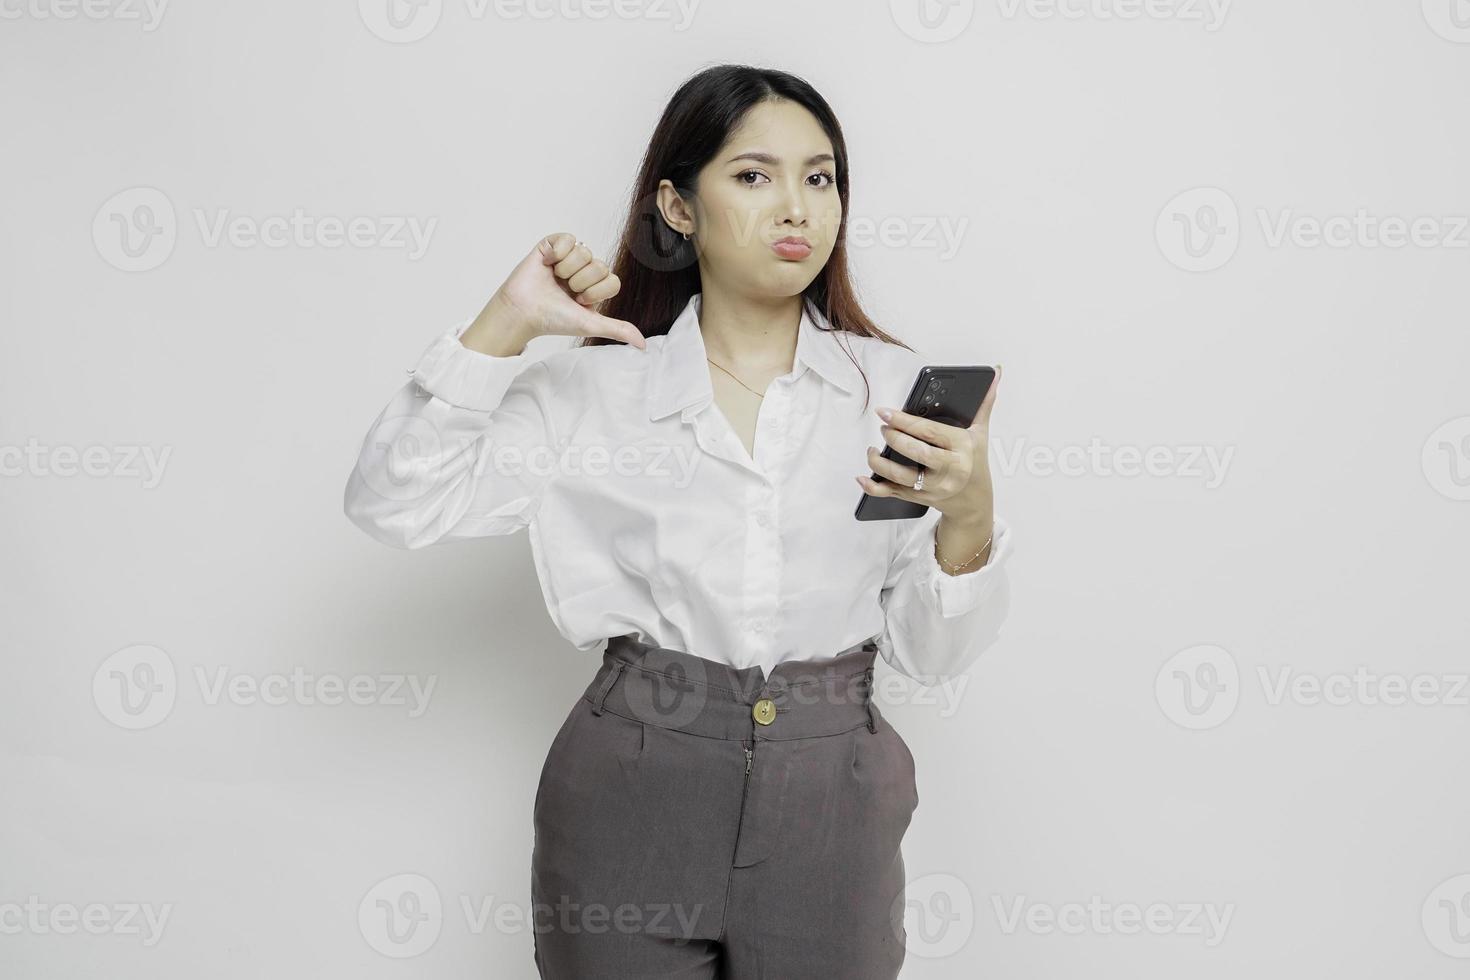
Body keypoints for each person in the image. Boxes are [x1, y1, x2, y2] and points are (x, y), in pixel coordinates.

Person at [343, 63, 1012, 980]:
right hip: (631, 792)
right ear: (678, 205)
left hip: (835, 804)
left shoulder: (891, 393)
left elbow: (931, 655)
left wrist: (969, 517)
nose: (797, 208)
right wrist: (504, 323)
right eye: (753, 175)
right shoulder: (592, 388)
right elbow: (391, 501)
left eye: (820, 178)